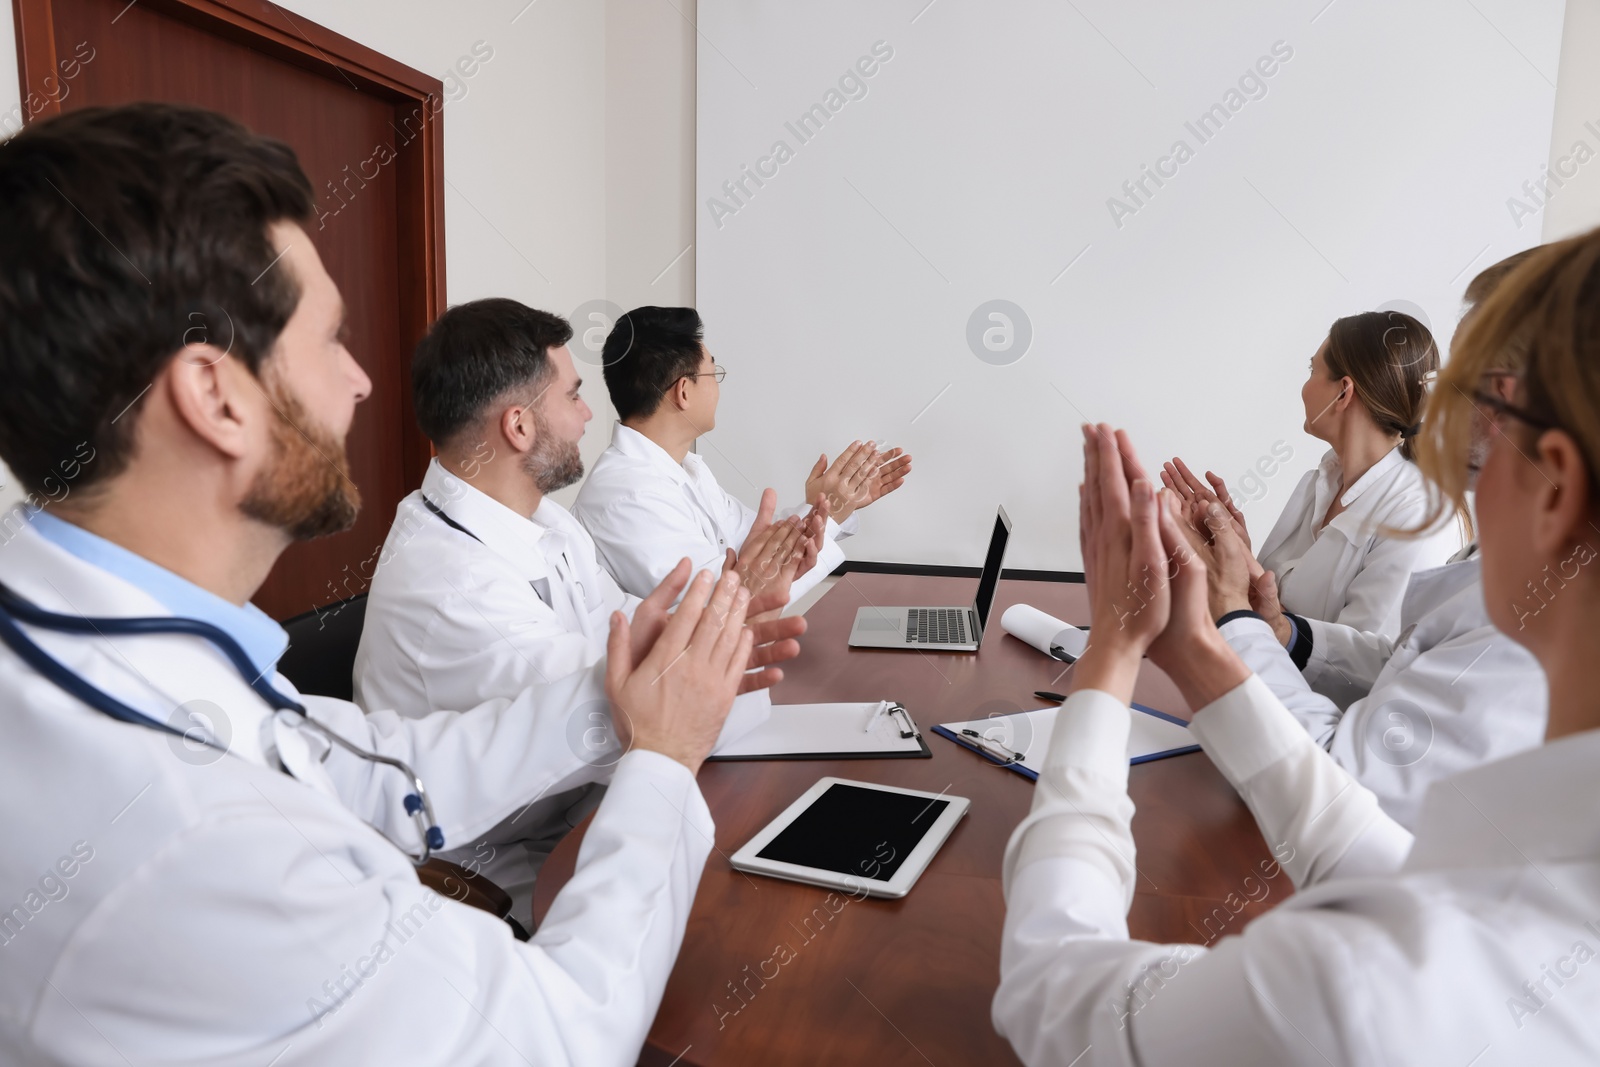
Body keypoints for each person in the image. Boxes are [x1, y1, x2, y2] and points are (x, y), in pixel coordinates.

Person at [0, 103, 790, 1065]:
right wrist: (662, 758)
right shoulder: (197, 838)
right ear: (215, 397)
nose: (364, 383)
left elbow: (359, 764)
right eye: (329, 342)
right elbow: (561, 1036)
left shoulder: (116, 642)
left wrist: (614, 699)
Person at [993, 231, 1600, 1064]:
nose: (1454, 453)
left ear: (1556, 486)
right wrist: (1201, 645)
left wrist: (1110, 655)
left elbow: (1051, 996)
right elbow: (1384, 856)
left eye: (1474, 404)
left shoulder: (1359, 990)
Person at [353, 297, 808, 910]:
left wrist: (719, 617)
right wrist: (720, 621)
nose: (590, 414)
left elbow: (624, 631)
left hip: (575, 808)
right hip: (492, 871)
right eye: (572, 397)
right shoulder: (448, 580)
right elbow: (616, 708)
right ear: (518, 426)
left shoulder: (548, 525)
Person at [1157, 253, 1546, 828]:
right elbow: (1399, 666)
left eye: (1455, 378)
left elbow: (1348, 784)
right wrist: (1277, 624)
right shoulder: (1325, 481)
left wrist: (1227, 614)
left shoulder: (1449, 535)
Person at [572, 305, 912, 604]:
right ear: (684, 391)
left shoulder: (684, 471)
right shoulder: (628, 495)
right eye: (713, 372)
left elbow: (759, 546)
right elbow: (727, 603)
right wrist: (830, 513)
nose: (718, 386)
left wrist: (826, 506)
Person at [1165, 310, 1462, 637]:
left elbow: (1362, 674)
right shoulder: (1321, 483)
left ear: (1343, 392)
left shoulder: (1417, 517)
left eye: (1312, 370)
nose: (1305, 387)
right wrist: (1237, 557)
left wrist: (1244, 595)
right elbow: (1269, 612)